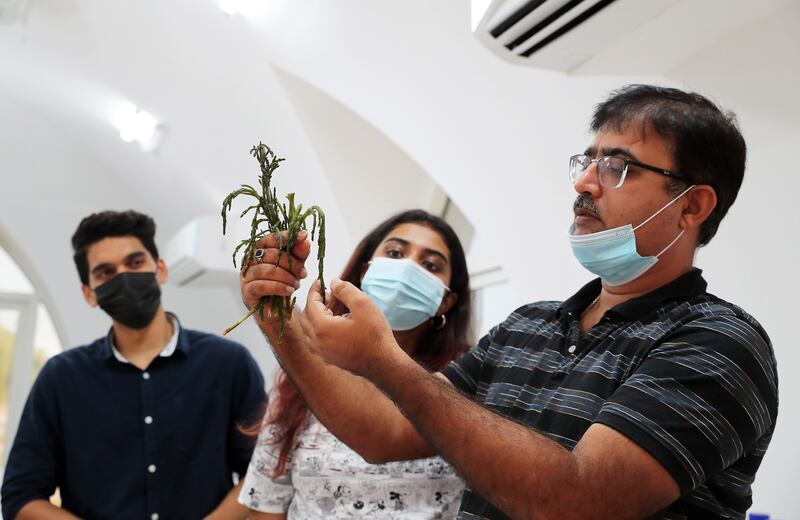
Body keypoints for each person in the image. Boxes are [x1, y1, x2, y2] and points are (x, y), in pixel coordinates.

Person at [240, 85, 779, 520]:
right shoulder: (529, 325)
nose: (586, 183)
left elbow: (581, 502)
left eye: (618, 166)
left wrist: (383, 360)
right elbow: (382, 434)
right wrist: (278, 320)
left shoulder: (719, 343)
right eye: (587, 161)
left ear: (692, 207)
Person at [1, 210, 266, 520]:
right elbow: (20, 497)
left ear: (161, 270)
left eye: (135, 263)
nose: (123, 277)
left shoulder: (228, 365)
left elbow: (263, 473)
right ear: (89, 294)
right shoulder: (61, 379)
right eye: (105, 272)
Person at [238, 209, 471, 519]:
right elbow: (267, 502)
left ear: (445, 301)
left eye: (430, 265)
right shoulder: (306, 375)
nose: (407, 268)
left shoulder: (468, 383)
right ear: (365, 272)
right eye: (395, 252)